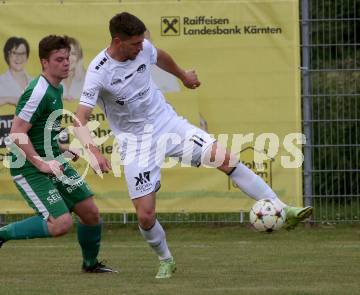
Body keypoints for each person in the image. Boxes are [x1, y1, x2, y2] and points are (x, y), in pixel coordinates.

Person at [73, 12, 313, 279]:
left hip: (167, 124)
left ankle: (283, 207)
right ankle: (166, 260)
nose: (142, 47)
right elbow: (79, 119)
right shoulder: (98, 71)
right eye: (135, 44)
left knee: (225, 158)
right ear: (118, 41)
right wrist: (93, 151)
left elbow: (160, 55)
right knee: (145, 216)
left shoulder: (143, 49)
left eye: (142, 42)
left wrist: (183, 75)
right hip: (135, 143)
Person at [0, 35, 115, 273]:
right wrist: (41, 163)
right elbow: (17, 133)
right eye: (59, 59)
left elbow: (39, 132)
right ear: (45, 62)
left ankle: (90, 265)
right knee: (60, 224)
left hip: (53, 161)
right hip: (28, 167)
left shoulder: (57, 88)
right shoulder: (38, 91)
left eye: (68, 58)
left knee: (90, 213)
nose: (66, 63)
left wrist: (63, 149)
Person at [61, 37, 86, 101]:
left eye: (73, 54)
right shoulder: (47, 80)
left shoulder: (88, 80)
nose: (69, 58)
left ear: (79, 56)